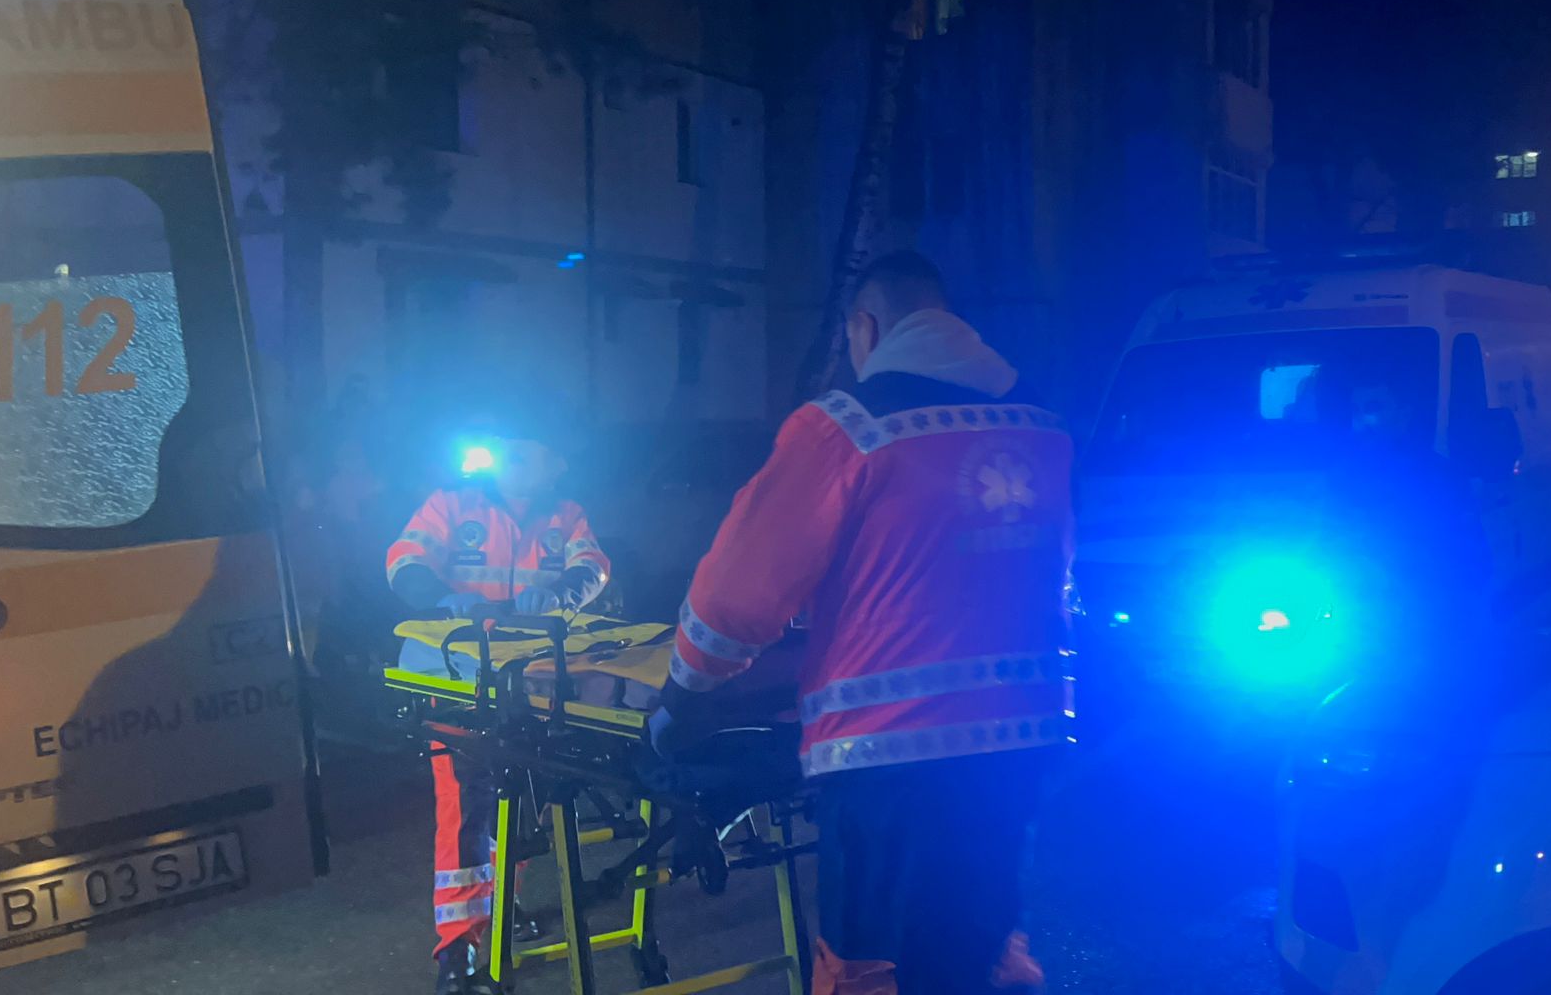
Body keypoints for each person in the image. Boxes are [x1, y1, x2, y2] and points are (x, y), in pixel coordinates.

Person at [652, 251, 1074, 994]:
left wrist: (682, 695)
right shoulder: (1042, 424)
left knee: (873, 966)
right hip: (1021, 741)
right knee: (979, 948)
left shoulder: (846, 427)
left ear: (866, 327)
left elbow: (739, 592)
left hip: (888, 754)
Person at [385, 410, 611, 995]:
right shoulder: (453, 504)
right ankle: (457, 951)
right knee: (465, 811)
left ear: (555, 462)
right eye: (509, 448)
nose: (513, 459)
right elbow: (403, 561)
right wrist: (442, 597)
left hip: (529, 684)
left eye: (527, 450)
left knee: (520, 804)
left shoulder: (567, 516)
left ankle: (497, 906)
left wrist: (558, 594)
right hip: (455, 681)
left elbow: (593, 569)